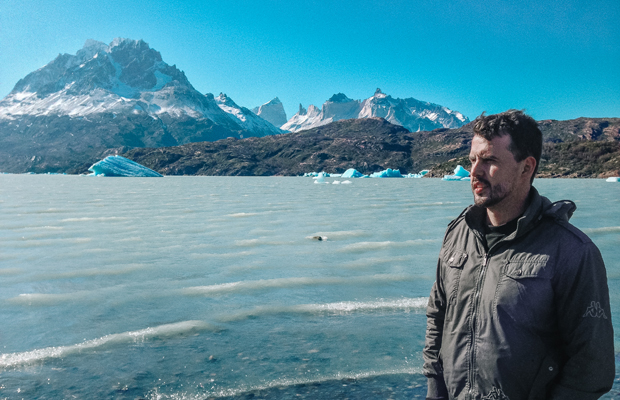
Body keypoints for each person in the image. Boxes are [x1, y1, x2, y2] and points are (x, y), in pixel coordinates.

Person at [423, 110, 615, 400]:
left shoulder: (572, 251)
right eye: (473, 160)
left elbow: (592, 364)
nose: (474, 172)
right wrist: (435, 391)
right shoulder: (457, 234)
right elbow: (438, 318)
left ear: (526, 168)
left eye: (489, 161)